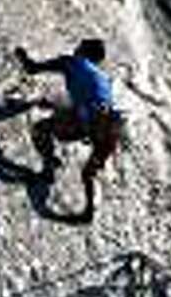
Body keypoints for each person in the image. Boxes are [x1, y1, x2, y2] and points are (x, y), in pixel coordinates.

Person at [15, 37, 123, 221]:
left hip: (88, 123)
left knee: (40, 129)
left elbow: (32, 68)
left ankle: (48, 169)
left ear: (83, 51)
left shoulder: (72, 62)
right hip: (111, 128)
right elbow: (85, 104)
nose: (75, 49)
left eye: (79, 47)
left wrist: (22, 56)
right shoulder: (103, 78)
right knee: (89, 174)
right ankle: (89, 211)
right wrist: (50, 105)